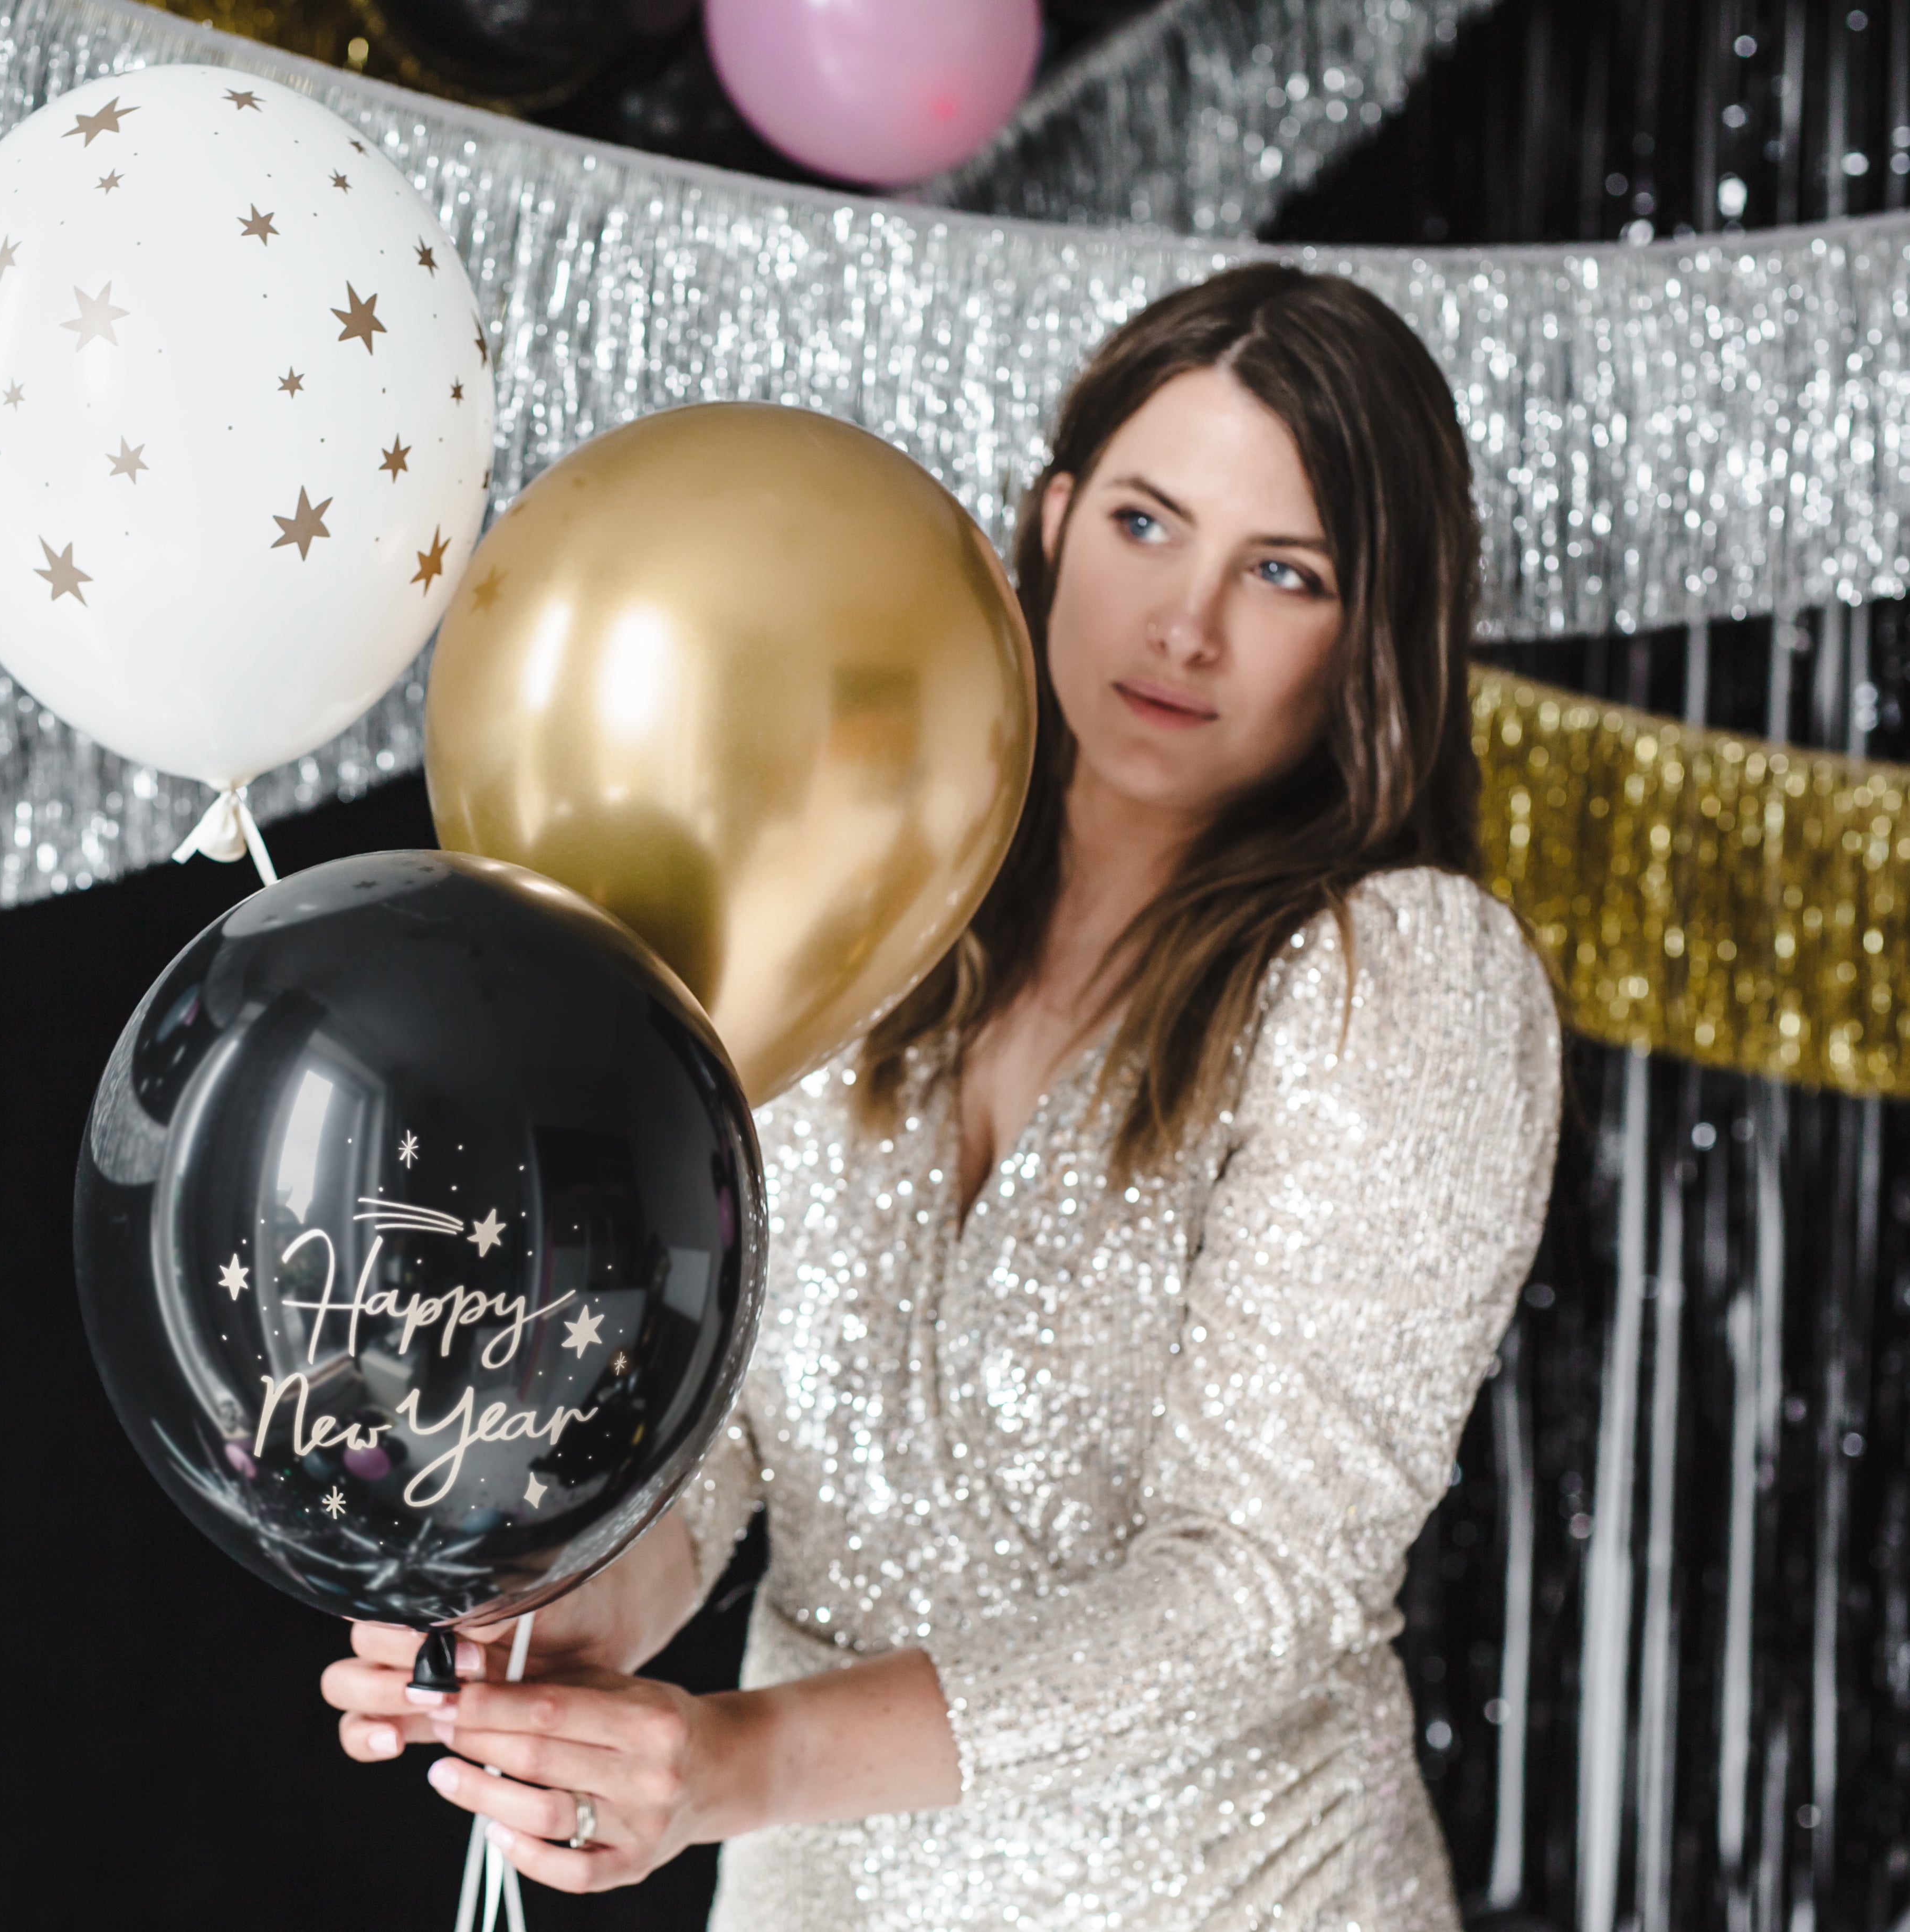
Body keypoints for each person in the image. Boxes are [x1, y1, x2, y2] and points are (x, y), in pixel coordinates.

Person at [321, 263, 1564, 1929]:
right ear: (1051, 523)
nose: (1184, 624)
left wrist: (737, 1760)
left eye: (1285, 573)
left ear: (1375, 634)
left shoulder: (1394, 982)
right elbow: (734, 1428)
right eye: (1144, 523)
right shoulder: (859, 886)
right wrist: (574, 1631)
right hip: (805, 1894)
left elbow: (1265, 1589)